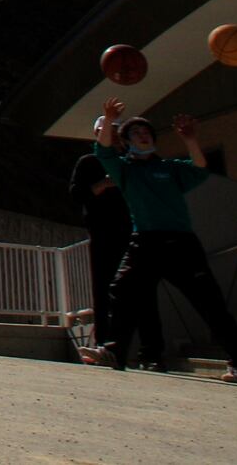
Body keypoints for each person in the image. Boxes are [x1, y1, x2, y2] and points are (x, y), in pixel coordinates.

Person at [84, 97, 237, 383]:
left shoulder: (171, 168)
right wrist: (108, 118)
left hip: (181, 244)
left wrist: (190, 139)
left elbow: (201, 168)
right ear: (126, 141)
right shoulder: (125, 169)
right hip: (145, 242)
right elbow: (103, 151)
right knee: (121, 289)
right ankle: (115, 351)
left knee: (211, 304)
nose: (144, 136)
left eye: (147, 133)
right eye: (137, 133)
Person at [68, 114, 164, 369]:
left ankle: (151, 354)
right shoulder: (88, 162)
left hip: (135, 233)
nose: (108, 133)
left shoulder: (130, 162)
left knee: (144, 292)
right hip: (102, 235)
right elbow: (77, 194)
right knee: (104, 291)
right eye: (103, 129)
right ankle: (107, 349)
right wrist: (104, 184)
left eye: (113, 129)